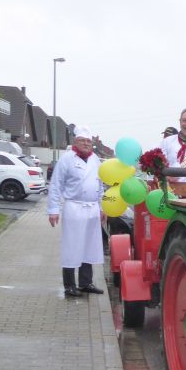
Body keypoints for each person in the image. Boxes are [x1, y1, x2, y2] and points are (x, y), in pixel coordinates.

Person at [48, 126, 105, 297]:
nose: (86, 144)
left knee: (89, 246)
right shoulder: (67, 159)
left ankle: (86, 282)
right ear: (75, 142)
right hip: (74, 207)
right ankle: (69, 285)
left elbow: (100, 184)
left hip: (92, 208)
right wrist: (53, 209)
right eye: (82, 141)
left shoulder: (95, 159)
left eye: (88, 141)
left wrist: (102, 207)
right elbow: (56, 185)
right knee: (72, 246)